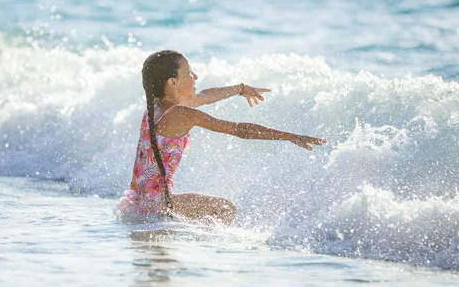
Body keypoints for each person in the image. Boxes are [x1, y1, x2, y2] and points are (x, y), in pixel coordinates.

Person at [117, 50, 325, 224]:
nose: (195, 77)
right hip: (158, 205)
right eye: (189, 73)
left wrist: (240, 89)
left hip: (138, 202)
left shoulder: (156, 108)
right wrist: (288, 136)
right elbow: (238, 130)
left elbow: (205, 97)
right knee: (226, 208)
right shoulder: (181, 114)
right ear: (172, 82)